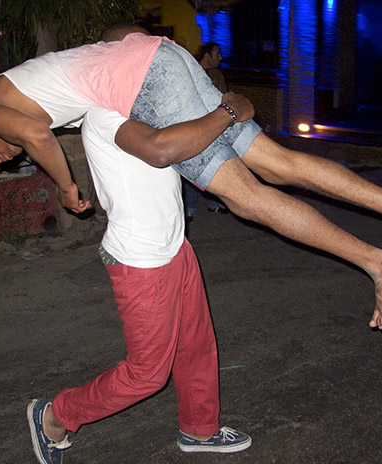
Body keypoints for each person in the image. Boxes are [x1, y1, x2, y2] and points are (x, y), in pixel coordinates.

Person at [0, 29, 382, 331]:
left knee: (245, 198)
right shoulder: (37, 82)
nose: (1, 157)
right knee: (277, 163)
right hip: (163, 61)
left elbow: (35, 134)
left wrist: (63, 186)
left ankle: (379, 263)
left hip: (148, 81)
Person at [27, 106, 251, 463]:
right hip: (141, 261)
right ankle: (56, 416)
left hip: (175, 246)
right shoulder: (106, 113)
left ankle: (199, 429)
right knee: (147, 374)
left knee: (196, 346)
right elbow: (163, 148)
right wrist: (226, 111)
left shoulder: (143, 104)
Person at [183, 41, 229, 219]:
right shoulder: (189, 71)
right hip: (191, 124)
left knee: (213, 165)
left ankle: (214, 202)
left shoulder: (217, 75)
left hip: (212, 126)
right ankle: (189, 206)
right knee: (188, 165)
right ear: (206, 55)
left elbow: (221, 100)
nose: (221, 57)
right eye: (216, 53)